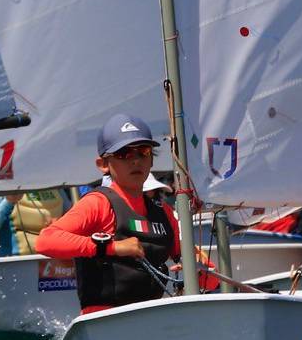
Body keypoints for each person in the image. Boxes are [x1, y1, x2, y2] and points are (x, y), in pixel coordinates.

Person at [35, 114, 191, 311]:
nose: (135, 160)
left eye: (143, 151)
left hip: (153, 319)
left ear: (151, 159)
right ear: (103, 164)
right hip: (104, 324)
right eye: (124, 154)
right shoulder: (98, 204)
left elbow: (197, 265)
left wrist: (200, 273)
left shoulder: (164, 212)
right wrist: (112, 247)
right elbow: (45, 241)